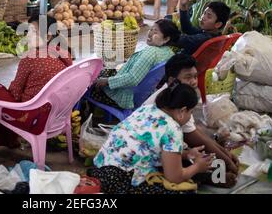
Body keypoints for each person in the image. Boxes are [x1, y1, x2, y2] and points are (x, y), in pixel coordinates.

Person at [89, 83, 212, 194]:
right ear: (182, 111)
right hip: (119, 183)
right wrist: (197, 166)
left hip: (99, 170)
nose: (190, 117)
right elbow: (174, 177)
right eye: (190, 112)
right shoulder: (172, 129)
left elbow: (149, 147)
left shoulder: (147, 109)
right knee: (184, 189)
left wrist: (186, 154)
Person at [0, 14, 72, 152]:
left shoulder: (30, 58)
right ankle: (7, 135)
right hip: (58, 116)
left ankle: (4, 134)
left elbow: (15, 94)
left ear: (48, 36)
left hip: (32, 118)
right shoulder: (64, 54)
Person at [143, 54, 240, 186]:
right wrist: (228, 163)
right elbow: (194, 137)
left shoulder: (175, 94)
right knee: (190, 162)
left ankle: (208, 173)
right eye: (188, 77)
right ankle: (206, 177)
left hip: (151, 149)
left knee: (196, 152)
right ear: (172, 80)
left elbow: (195, 131)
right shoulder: (172, 107)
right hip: (144, 159)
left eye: (195, 76)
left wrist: (226, 155)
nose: (194, 81)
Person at [91, 19, 180, 110]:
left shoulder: (151, 52)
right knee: (105, 71)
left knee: (90, 84)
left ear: (166, 39)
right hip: (142, 94)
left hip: (125, 97)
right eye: (151, 29)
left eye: (155, 31)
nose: (150, 33)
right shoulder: (169, 52)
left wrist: (106, 81)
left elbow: (132, 78)